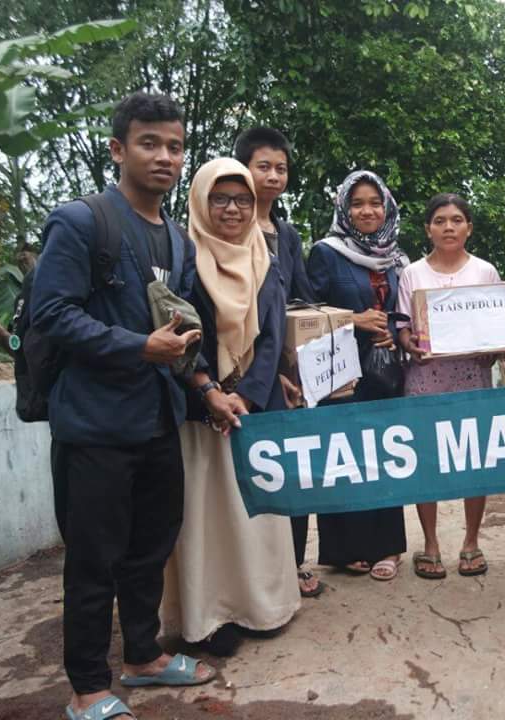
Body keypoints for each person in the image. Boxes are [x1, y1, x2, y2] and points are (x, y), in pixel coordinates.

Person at [31, 92, 222, 720]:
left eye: (175, 146)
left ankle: (143, 658)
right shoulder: (81, 221)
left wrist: (204, 387)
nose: (164, 156)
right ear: (118, 149)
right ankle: (87, 688)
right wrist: (138, 346)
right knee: (94, 560)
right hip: (95, 425)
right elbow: (52, 314)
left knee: (150, 550)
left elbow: (181, 329)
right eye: (149, 143)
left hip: (158, 420)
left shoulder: (176, 238)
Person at [160, 157, 300, 657]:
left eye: (242, 199)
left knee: (257, 511)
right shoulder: (184, 258)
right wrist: (209, 391)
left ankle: (263, 608)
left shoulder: (264, 257)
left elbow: (273, 334)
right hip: (201, 412)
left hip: (251, 409)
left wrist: (247, 393)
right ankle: (210, 617)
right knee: (208, 515)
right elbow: (178, 328)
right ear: (201, 201)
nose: (233, 209)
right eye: (220, 199)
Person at [232, 126, 323, 598]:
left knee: (293, 471)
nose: (272, 176)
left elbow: (302, 301)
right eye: (262, 166)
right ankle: (253, 577)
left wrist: (300, 365)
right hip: (240, 372)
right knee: (250, 476)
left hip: (287, 372)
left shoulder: (286, 234)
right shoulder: (228, 227)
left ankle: (294, 564)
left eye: (281, 168)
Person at [306, 170, 408, 581]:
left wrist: (395, 332)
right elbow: (305, 311)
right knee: (344, 457)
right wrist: (354, 319)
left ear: (387, 208)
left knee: (387, 455)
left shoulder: (396, 258)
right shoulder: (326, 253)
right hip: (339, 373)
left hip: (386, 373)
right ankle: (345, 549)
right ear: (344, 209)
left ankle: (388, 547)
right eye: (357, 203)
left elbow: (404, 310)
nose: (367, 211)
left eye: (375, 203)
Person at [396, 193, 499, 579]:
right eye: (439, 221)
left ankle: (471, 541)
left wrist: (494, 350)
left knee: (474, 459)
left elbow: (498, 324)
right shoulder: (412, 274)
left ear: (469, 227)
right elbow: (403, 326)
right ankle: (431, 544)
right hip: (425, 378)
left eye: (456, 220)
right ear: (428, 229)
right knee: (427, 461)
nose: (448, 227)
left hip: (473, 378)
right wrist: (410, 344)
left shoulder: (486, 272)